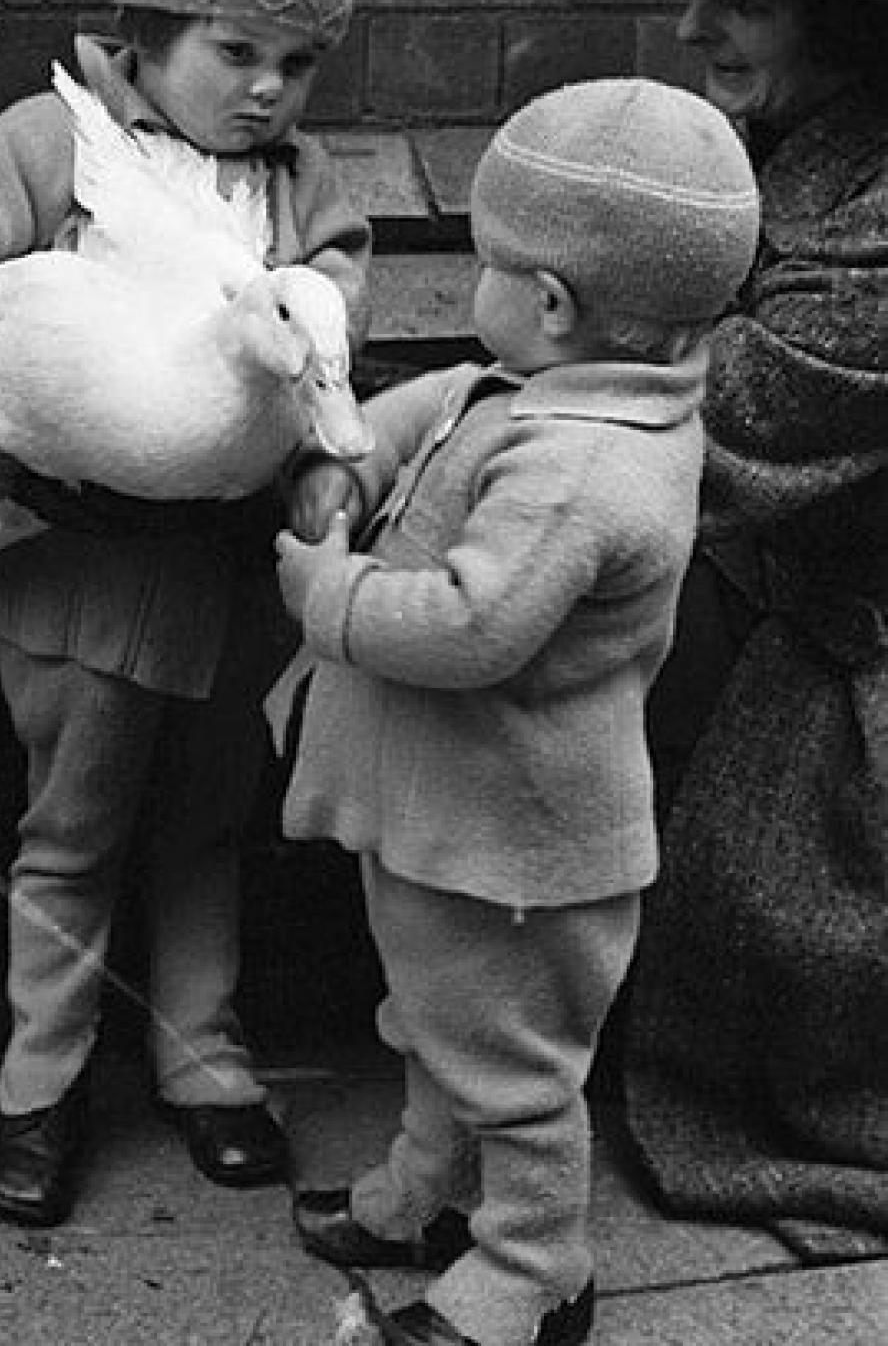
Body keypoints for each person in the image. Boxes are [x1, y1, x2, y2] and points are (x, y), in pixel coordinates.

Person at [0, 0, 372, 1226]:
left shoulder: (298, 186)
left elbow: (327, 326)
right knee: (74, 823)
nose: (267, 88)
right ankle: (40, 1081)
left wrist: (318, 474)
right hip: (80, 570)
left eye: (297, 62)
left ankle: (203, 1055)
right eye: (235, 51)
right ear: (148, 29)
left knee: (210, 818)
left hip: (225, 578)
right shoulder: (47, 145)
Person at [269, 78, 761, 1346]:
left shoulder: (585, 467)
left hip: (517, 849)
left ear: (548, 301)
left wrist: (324, 591)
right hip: (455, 822)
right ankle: (426, 1196)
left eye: (485, 263)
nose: (472, 286)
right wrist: (350, 454)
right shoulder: (558, 388)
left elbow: (466, 626)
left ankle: (534, 1273)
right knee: (438, 1018)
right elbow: (442, 405)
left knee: (512, 1066)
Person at [605, 0, 888, 1251]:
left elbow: (706, 426)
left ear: (848, 28)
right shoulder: (790, 159)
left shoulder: (872, 229)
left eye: (743, 1)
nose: (689, 26)